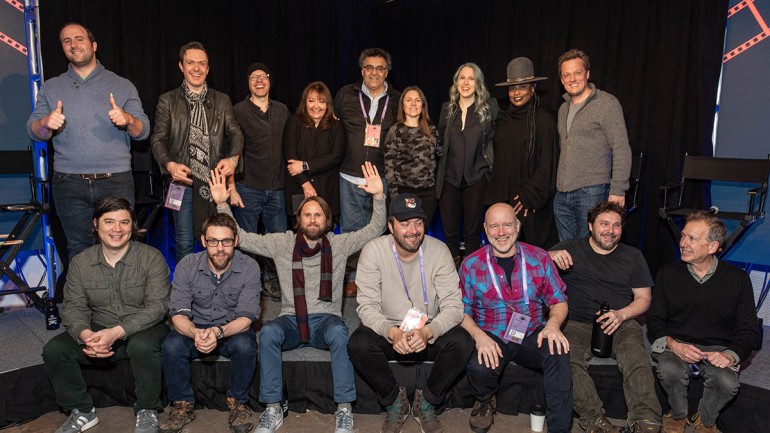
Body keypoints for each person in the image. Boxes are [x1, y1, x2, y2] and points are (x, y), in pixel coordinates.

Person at [207, 162, 387, 433]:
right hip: (290, 320)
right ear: (299, 219)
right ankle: (272, 407)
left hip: (326, 320)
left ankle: (344, 408)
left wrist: (379, 196)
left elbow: (374, 229)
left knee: (340, 332)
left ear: (326, 221)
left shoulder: (339, 245)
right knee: (267, 333)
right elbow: (241, 238)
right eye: (307, 215)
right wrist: (222, 204)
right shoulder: (282, 243)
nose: (312, 220)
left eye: (318, 215)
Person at [41, 197, 170, 433]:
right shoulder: (80, 263)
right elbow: (73, 307)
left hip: (144, 328)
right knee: (55, 349)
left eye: (124, 222)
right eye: (109, 222)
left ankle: (147, 410)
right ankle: (82, 411)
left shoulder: (151, 257)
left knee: (142, 344)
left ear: (133, 226)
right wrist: (86, 334)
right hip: (99, 329)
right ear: (96, 225)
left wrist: (117, 332)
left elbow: (158, 307)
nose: (117, 229)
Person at [349, 194, 473, 433]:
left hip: (428, 330)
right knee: (358, 343)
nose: (413, 230)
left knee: (463, 341)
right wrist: (392, 332)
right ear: (390, 225)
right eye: (405, 223)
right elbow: (367, 307)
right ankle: (394, 401)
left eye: (418, 222)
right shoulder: (373, 251)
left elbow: (454, 306)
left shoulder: (439, 251)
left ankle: (426, 401)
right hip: (390, 330)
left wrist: (428, 331)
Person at [27, 23, 150, 261]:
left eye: (79, 39)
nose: (73, 45)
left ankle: (120, 300)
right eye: (66, 41)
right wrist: (46, 123)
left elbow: (142, 131)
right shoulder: (51, 87)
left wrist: (127, 119)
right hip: (69, 183)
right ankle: (84, 300)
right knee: (79, 251)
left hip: (116, 181)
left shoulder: (122, 85)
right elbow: (34, 131)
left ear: (93, 46)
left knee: (122, 248)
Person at [548, 201, 661, 433]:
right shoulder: (571, 247)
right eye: (604, 224)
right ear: (590, 226)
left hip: (620, 320)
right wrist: (552, 254)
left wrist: (621, 314)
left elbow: (644, 298)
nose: (610, 230)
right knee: (565, 359)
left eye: (617, 225)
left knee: (635, 355)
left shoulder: (633, 256)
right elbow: (531, 258)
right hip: (577, 322)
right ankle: (594, 420)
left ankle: (646, 420)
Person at [460, 203, 572, 433]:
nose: (501, 232)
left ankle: (560, 428)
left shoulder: (539, 258)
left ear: (517, 226)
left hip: (531, 331)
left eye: (507, 224)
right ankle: (484, 399)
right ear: (485, 228)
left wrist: (552, 325)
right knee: (479, 367)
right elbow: (461, 310)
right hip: (492, 334)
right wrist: (479, 337)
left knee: (558, 350)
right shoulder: (470, 264)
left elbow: (559, 300)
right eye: (494, 226)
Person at [647, 211, 758, 433]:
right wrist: (674, 345)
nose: (683, 243)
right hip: (677, 341)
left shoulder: (738, 279)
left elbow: (749, 330)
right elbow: (655, 320)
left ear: (712, 246)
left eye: (692, 239)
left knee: (726, 382)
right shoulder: (667, 274)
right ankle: (677, 416)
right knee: (669, 368)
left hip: (719, 347)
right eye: (683, 236)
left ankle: (705, 421)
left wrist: (730, 354)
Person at [159, 213, 260, 433]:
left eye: (226, 241)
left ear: (236, 241)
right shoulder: (188, 264)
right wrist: (196, 332)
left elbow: (247, 316)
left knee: (246, 344)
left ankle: (238, 404)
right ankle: (182, 406)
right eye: (213, 241)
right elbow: (177, 313)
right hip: (195, 329)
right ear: (204, 241)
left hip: (230, 329)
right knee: (171, 345)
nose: (220, 248)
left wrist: (217, 331)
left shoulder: (250, 266)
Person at [150, 41, 244, 262]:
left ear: (208, 68)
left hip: (214, 183)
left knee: (218, 239)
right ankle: (186, 291)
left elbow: (236, 134)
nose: (196, 68)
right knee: (183, 242)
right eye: (190, 63)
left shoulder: (221, 100)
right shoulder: (168, 100)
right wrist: (169, 165)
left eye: (202, 64)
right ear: (181, 66)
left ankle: (217, 287)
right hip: (181, 183)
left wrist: (233, 158)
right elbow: (157, 140)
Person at [334, 47, 400, 296]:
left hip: (382, 177)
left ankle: (377, 277)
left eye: (380, 68)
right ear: (362, 70)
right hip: (349, 175)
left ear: (387, 72)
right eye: (369, 68)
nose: (374, 73)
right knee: (352, 231)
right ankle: (353, 277)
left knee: (380, 230)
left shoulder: (398, 98)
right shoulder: (344, 95)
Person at [554, 49, 631, 241]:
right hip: (562, 194)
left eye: (577, 73)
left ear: (587, 74)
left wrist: (618, 189)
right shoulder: (563, 109)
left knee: (590, 251)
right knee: (567, 252)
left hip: (592, 191)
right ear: (562, 80)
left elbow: (621, 147)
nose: (572, 79)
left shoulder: (607, 104)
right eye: (566, 75)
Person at [485, 57, 559, 249]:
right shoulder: (503, 120)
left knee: (531, 261)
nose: (516, 93)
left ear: (533, 88)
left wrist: (528, 196)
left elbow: (548, 164)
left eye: (522, 87)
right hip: (503, 202)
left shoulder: (544, 120)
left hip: (528, 205)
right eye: (512, 88)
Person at [231, 62, 289, 301]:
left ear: (269, 80)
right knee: (246, 241)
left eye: (263, 76)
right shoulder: (238, 111)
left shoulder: (283, 110)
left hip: (277, 188)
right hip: (248, 186)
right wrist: (232, 187)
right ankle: (248, 286)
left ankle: (274, 282)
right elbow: (231, 150)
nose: (259, 81)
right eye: (253, 77)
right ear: (248, 82)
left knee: (279, 241)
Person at [436, 63, 500, 267]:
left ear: (478, 83)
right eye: (462, 78)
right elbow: (440, 140)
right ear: (456, 82)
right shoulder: (447, 108)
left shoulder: (490, 107)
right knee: (450, 232)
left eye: (471, 78)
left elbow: (498, 138)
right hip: (449, 177)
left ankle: (471, 274)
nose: (466, 83)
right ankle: (450, 276)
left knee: (473, 233)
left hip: (477, 176)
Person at [283, 81, 345, 225]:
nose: (316, 106)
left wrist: (305, 165)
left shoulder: (336, 125)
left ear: (327, 104)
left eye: (321, 101)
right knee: (299, 235)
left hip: (327, 190)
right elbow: (291, 158)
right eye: (311, 101)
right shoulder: (293, 122)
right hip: (298, 188)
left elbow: (336, 156)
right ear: (305, 102)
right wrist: (305, 184)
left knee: (326, 237)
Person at [383, 86, 439, 226]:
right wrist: (395, 196)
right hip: (402, 192)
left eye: (417, 100)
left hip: (427, 194)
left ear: (423, 105)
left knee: (422, 235)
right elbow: (388, 166)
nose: (413, 104)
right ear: (402, 105)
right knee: (403, 236)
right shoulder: (395, 130)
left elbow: (441, 156)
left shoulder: (432, 130)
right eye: (409, 100)